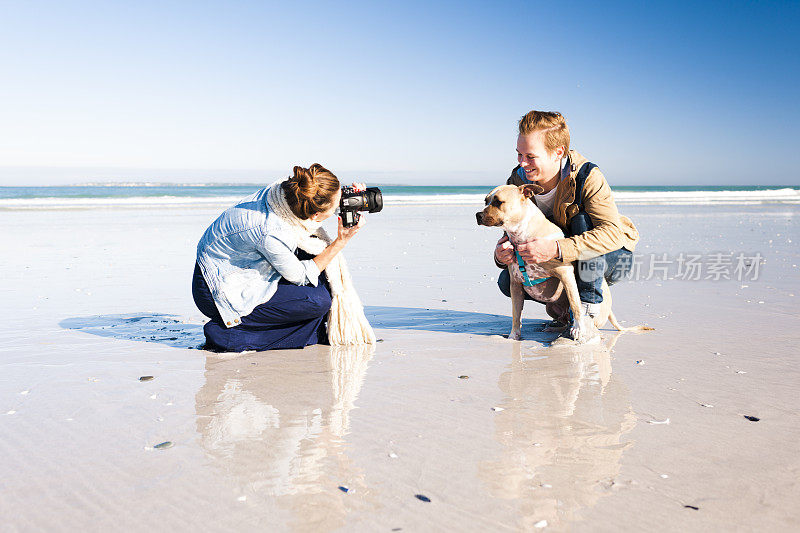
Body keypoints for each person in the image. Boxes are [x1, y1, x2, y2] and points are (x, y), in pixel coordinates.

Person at [192, 163, 368, 352]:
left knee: (322, 278)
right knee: (318, 302)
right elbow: (301, 276)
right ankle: (227, 336)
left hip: (238, 265)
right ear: (316, 215)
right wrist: (340, 242)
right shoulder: (273, 231)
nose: (337, 207)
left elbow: (316, 202)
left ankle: (305, 328)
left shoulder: (289, 191)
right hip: (217, 290)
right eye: (334, 208)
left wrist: (349, 198)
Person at [494, 110, 640, 332]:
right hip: (561, 255)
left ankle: (589, 309)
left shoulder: (587, 176)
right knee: (507, 281)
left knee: (582, 220)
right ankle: (566, 311)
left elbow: (612, 234)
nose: (522, 163)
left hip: (612, 255)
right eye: (519, 154)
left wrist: (555, 248)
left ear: (558, 152)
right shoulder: (517, 181)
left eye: (530, 156)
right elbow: (512, 231)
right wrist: (501, 254)